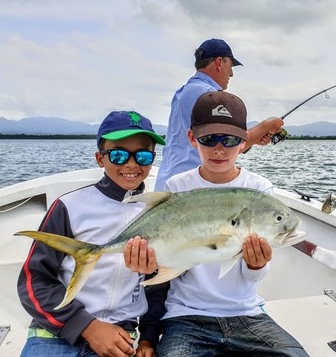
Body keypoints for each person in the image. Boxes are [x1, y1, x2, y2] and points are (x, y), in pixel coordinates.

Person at [129, 91, 309, 357]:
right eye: (209, 139)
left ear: (244, 141)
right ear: (192, 138)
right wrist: (147, 266)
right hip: (186, 316)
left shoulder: (258, 189)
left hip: (246, 313)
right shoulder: (178, 187)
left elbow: (253, 277)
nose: (220, 148)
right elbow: (170, 258)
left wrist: (256, 264)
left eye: (230, 139)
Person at [17, 110, 165, 357]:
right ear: (100, 158)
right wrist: (86, 325)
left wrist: (148, 338)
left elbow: (158, 287)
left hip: (119, 339)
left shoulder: (160, 212)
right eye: (118, 155)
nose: (131, 164)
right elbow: (34, 281)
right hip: (53, 334)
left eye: (142, 155)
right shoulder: (69, 206)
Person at [155, 37, 284, 190]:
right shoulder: (208, 96)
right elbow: (225, 142)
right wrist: (268, 126)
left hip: (166, 182)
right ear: (219, 62)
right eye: (231, 65)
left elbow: (217, 141)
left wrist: (253, 139)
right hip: (191, 188)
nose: (231, 74)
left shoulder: (183, 92)